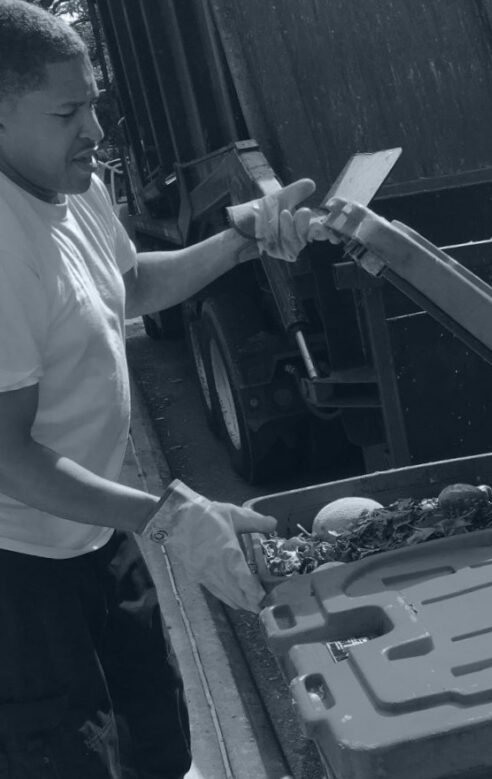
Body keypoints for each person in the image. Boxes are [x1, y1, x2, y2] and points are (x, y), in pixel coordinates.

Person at [0, 2, 333, 776]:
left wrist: (244, 239)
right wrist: (170, 516)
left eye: (93, 103)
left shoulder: (70, 183)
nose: (95, 131)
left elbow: (130, 286)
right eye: (68, 111)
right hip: (20, 575)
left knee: (159, 742)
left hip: (92, 529)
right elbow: (6, 458)